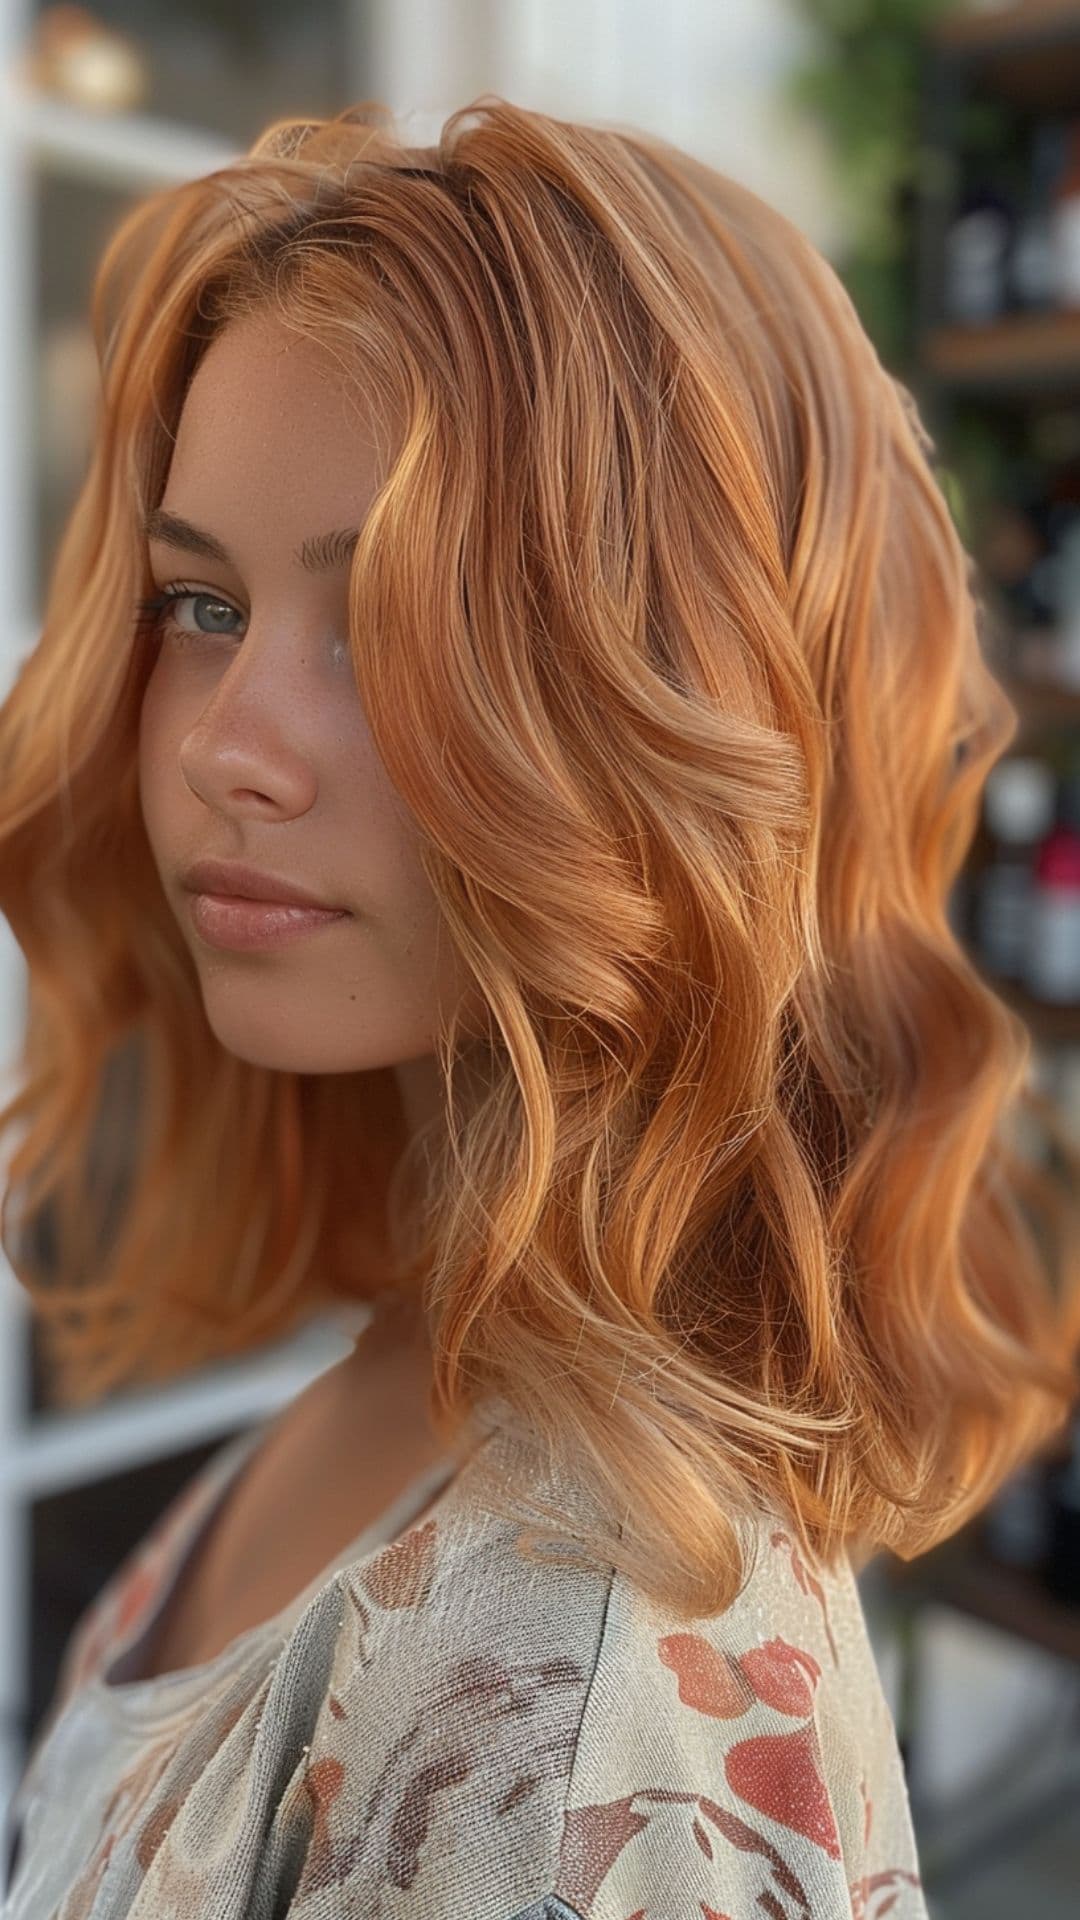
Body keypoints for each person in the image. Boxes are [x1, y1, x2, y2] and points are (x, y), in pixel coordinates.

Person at [0, 91, 1077, 1920]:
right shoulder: (436, 1373)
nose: (228, 752)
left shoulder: (589, 1692)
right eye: (201, 605)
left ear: (683, 703)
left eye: (400, 618)